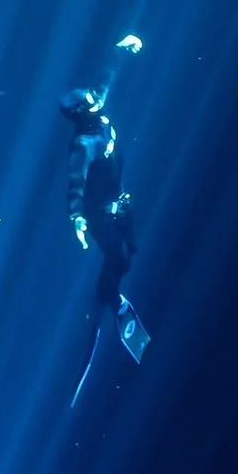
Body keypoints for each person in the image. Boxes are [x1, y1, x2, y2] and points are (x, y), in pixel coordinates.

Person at [59, 58, 150, 406]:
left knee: (128, 257)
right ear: (81, 112)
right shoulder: (82, 146)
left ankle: (109, 288)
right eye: (91, 100)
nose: (98, 99)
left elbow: (106, 78)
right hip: (99, 217)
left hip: (120, 206)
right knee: (118, 259)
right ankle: (106, 298)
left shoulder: (96, 110)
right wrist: (78, 223)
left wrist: (121, 50)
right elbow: (74, 187)